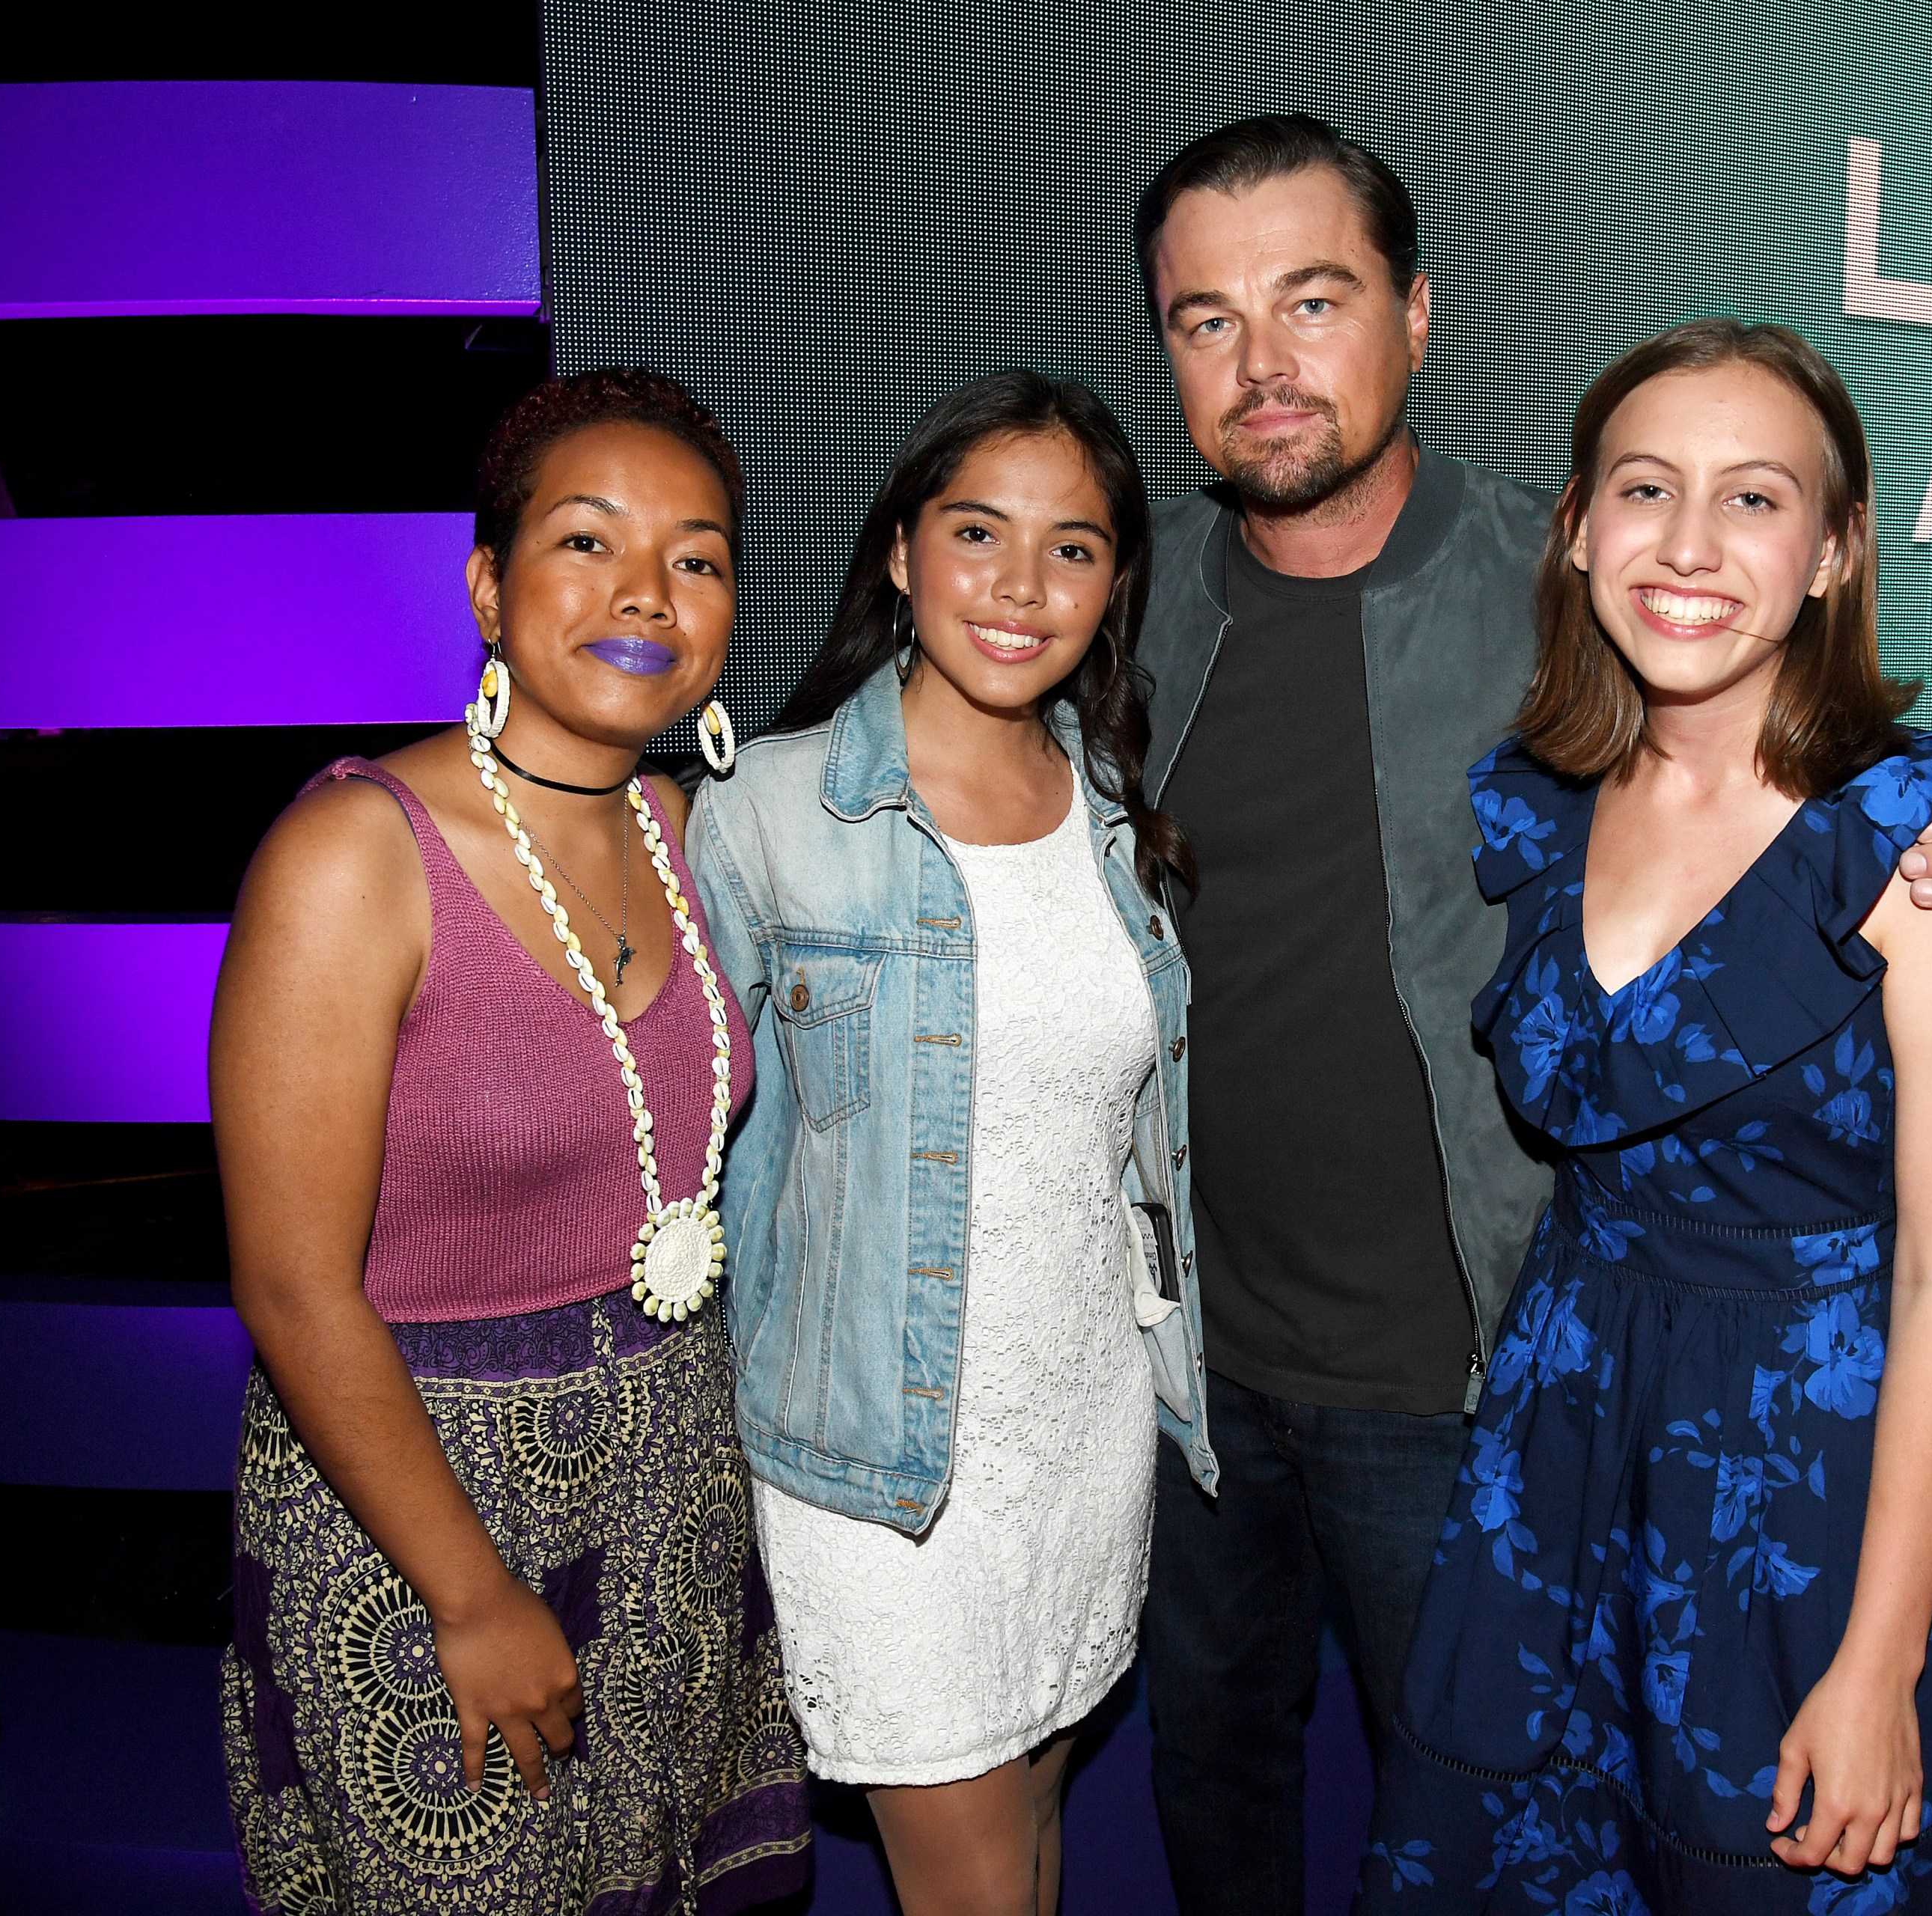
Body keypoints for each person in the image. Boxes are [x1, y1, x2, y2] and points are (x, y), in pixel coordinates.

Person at [1127, 116, 1932, 1913]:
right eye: (1208, 320)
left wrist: (1880, 1660)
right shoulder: (1165, 619)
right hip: (1451, 1425)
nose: (1263, 363)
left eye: (1316, 299)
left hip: (1663, 1448)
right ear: (1583, 531)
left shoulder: (1918, 833)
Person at [1359, 317, 1932, 1911]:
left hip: (1798, 1487)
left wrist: (1877, 1665)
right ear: (1578, 524)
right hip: (1555, 1437)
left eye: (1755, 498)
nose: (1690, 544)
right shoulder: (1539, 806)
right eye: (1647, 488)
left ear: (1834, 550)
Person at [211, 367, 811, 1913]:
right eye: (588, 541)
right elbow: (290, 1285)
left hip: (672, 1474)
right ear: (488, 582)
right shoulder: (355, 851)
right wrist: (473, 1591)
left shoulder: (683, 834)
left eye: (698, 557)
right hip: (425, 1506)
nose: (646, 592)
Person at [690, 370, 1215, 1916]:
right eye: (978, 530)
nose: (1019, 584)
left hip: (1083, 1422)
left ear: (1115, 582)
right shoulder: (765, 811)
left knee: (1035, 1828)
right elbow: (685, 1150)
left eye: (1073, 546)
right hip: (880, 1461)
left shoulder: (1113, 800)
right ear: (903, 551)